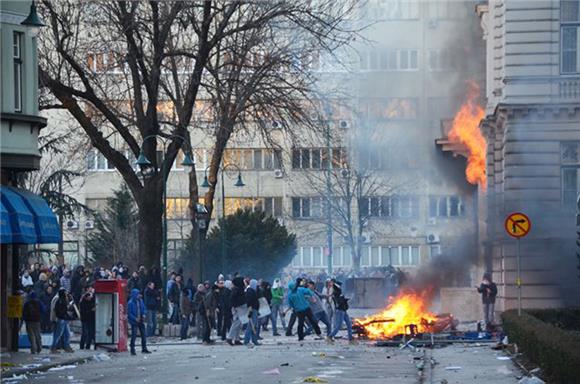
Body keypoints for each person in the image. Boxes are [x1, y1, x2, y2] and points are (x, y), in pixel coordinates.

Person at [127, 288, 151, 355]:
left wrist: (143, 314)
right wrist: (135, 319)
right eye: (137, 294)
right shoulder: (130, 303)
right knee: (134, 335)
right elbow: (129, 313)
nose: (139, 295)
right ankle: (132, 349)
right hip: (134, 321)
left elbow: (144, 308)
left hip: (141, 320)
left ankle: (144, 348)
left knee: (143, 335)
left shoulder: (140, 301)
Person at [226, 277, 246, 346]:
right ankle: (230, 337)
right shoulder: (236, 289)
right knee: (236, 323)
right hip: (238, 308)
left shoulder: (239, 289)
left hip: (239, 307)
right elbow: (231, 299)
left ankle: (236, 339)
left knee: (239, 324)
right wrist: (235, 306)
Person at [244, 279, 261, 346]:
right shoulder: (250, 291)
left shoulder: (252, 291)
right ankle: (247, 340)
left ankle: (254, 340)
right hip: (253, 310)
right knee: (251, 326)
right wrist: (250, 310)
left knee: (254, 326)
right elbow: (249, 302)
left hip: (255, 309)